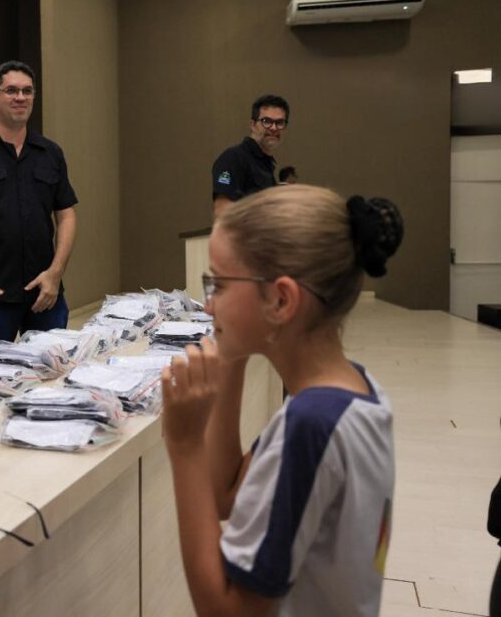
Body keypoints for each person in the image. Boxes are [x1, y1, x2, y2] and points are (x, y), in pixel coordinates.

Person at [161, 185, 403, 616]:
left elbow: (226, 611)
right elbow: (225, 494)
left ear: (281, 299)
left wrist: (184, 444)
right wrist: (231, 357)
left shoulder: (311, 425)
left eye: (219, 285)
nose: (209, 306)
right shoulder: (353, 390)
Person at [0, 61, 77, 360]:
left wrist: (56, 273)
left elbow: (66, 215)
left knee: (53, 373)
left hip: (45, 292)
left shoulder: (50, 153)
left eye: (27, 91)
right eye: (11, 90)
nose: (20, 97)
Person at [212, 94, 290, 218]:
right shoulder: (233, 157)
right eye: (266, 121)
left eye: (280, 122)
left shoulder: (267, 163)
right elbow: (222, 211)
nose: (274, 128)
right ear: (252, 125)